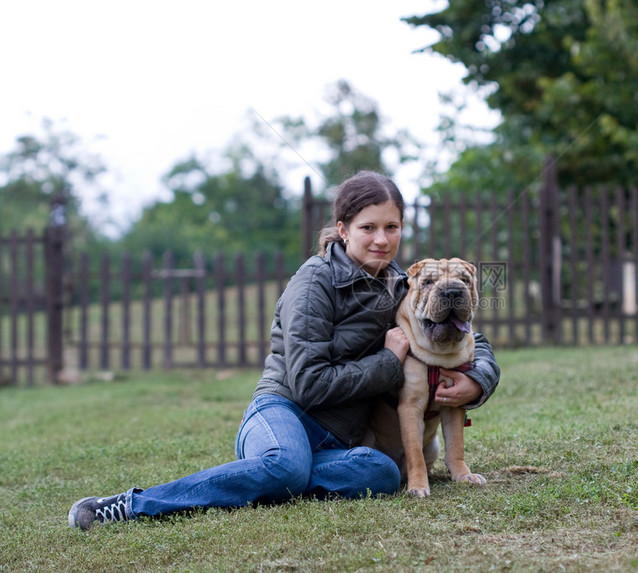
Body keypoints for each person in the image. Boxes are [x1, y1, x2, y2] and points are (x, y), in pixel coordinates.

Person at [68, 171, 500, 530]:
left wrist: (477, 378)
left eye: (392, 227)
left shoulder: (402, 282)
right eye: (368, 228)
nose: (382, 240)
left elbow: (465, 337)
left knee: (383, 472)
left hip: (340, 437)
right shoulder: (314, 282)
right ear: (344, 229)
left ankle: (270, 477)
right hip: (284, 410)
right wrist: (388, 362)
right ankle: (130, 505)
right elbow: (309, 384)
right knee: (288, 465)